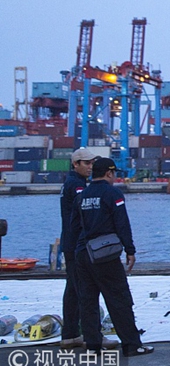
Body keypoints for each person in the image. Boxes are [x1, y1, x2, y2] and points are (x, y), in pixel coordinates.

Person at [72, 157, 153, 357]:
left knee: (88, 301)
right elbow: (121, 223)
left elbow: (74, 226)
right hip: (105, 255)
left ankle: (93, 346)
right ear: (109, 173)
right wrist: (130, 250)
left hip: (83, 253)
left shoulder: (82, 196)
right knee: (119, 299)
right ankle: (132, 345)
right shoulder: (113, 194)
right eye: (114, 173)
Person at [59, 148, 96, 349]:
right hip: (75, 244)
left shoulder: (70, 183)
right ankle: (89, 335)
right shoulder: (77, 186)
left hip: (69, 242)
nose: (90, 167)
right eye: (86, 163)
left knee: (73, 289)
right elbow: (84, 215)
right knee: (83, 290)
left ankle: (71, 334)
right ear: (75, 164)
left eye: (92, 163)